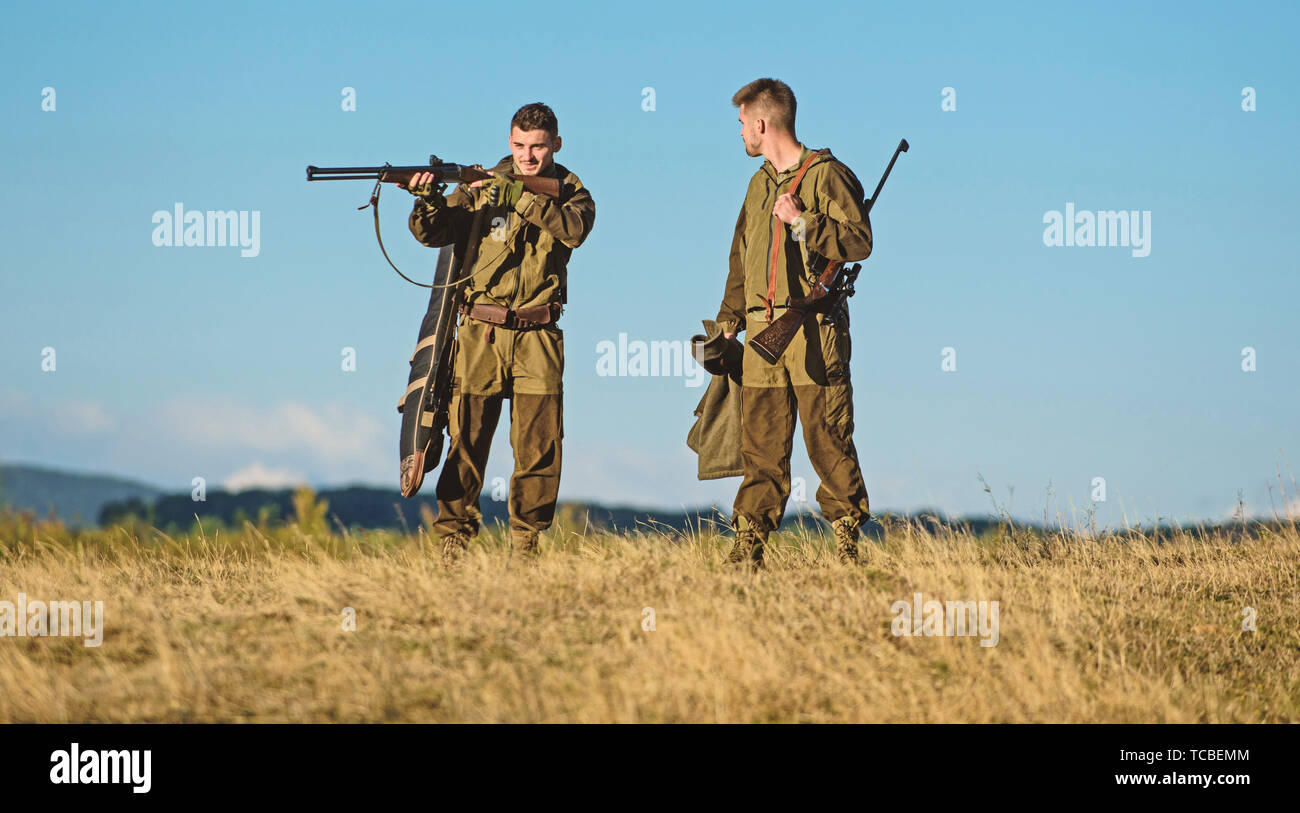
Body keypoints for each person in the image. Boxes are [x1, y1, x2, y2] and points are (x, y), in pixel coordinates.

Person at [403, 102, 595, 563]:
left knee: (539, 448)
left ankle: (525, 549)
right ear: (509, 143)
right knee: (465, 442)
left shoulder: (570, 191)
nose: (528, 156)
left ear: (556, 145)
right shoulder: (481, 185)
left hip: (539, 335)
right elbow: (432, 233)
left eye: (538, 147)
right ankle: (453, 544)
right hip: (480, 334)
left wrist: (520, 198)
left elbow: (573, 230)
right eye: (519, 146)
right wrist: (426, 199)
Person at [714, 78, 873, 568]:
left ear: (761, 124)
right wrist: (728, 320)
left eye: (742, 123)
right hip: (763, 333)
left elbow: (859, 242)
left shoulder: (828, 176)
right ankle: (749, 547)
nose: (740, 132)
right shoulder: (758, 183)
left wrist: (804, 223)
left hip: (812, 330)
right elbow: (741, 257)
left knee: (826, 436)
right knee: (760, 445)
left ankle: (847, 542)